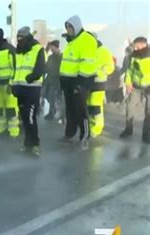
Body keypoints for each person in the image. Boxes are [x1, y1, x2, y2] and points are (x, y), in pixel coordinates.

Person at [59, 15, 98, 150]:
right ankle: (69, 134)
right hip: (68, 82)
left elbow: (87, 64)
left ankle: (85, 135)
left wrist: (80, 84)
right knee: (70, 110)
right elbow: (67, 64)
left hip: (80, 82)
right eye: (67, 27)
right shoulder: (71, 41)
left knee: (80, 110)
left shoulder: (86, 40)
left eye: (69, 27)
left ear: (75, 27)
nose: (68, 30)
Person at [11, 26, 46, 156]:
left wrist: (30, 78)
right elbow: (16, 70)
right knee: (24, 118)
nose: (19, 39)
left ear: (27, 37)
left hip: (32, 88)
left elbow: (41, 68)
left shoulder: (38, 49)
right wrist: (14, 85)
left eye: (21, 37)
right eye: (17, 37)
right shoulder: (18, 51)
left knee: (30, 117)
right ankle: (27, 143)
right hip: (20, 88)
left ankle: (35, 143)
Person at [120, 36, 150, 143]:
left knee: (148, 111)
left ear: (144, 45)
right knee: (129, 106)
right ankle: (128, 130)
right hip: (135, 86)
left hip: (148, 87)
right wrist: (128, 83)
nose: (135, 48)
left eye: (137, 46)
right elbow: (129, 71)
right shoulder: (133, 56)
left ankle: (146, 135)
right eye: (134, 46)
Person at [88, 35, 114, 138]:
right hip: (87, 82)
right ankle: (91, 127)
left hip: (99, 82)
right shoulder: (87, 50)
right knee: (89, 105)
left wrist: (100, 71)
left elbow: (110, 67)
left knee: (96, 105)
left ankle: (97, 128)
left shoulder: (104, 51)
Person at [43, 40, 62, 121]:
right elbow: (46, 67)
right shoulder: (51, 57)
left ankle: (53, 111)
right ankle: (54, 109)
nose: (51, 49)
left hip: (57, 80)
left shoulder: (62, 57)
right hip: (49, 79)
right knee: (46, 94)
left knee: (52, 95)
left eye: (52, 47)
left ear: (56, 47)